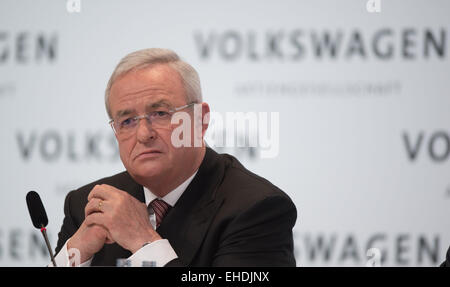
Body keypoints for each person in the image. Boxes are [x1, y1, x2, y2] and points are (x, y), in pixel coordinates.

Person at [53, 48, 297, 267]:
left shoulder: (256, 209)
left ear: (201, 120)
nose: (144, 134)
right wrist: (77, 256)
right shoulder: (88, 205)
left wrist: (144, 241)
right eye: (127, 121)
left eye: (160, 113)